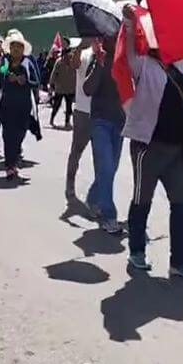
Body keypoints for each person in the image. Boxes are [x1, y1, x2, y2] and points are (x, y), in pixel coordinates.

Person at [119, 5, 183, 279]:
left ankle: (179, 262)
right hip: (148, 146)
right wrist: (130, 26)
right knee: (142, 200)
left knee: (182, 204)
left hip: (177, 149)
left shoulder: (181, 65)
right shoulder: (143, 64)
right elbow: (128, 54)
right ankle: (137, 251)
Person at [84, 35, 126, 234]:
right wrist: (99, 66)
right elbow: (87, 89)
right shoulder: (98, 59)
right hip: (100, 122)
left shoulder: (126, 59)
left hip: (120, 123)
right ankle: (109, 215)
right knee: (107, 168)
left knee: (111, 169)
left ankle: (93, 198)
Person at [0, 31, 40, 180]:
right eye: (14, 46)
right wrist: (6, 77)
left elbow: (36, 82)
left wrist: (25, 82)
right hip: (7, 105)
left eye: (19, 47)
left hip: (23, 107)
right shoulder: (5, 62)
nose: (16, 50)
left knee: (19, 135)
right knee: (8, 136)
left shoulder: (28, 63)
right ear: (10, 47)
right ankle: (10, 166)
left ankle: (13, 161)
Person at [65, 43, 94, 198]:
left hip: (102, 115)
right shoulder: (85, 52)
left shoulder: (111, 52)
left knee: (103, 161)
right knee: (76, 151)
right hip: (83, 111)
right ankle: (70, 183)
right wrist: (82, 44)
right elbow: (74, 64)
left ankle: (96, 195)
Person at [49, 48, 76, 128]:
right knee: (56, 105)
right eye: (66, 55)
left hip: (70, 88)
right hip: (60, 88)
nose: (68, 57)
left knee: (69, 107)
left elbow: (77, 73)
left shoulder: (73, 62)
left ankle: (67, 122)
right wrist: (51, 84)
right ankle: (52, 119)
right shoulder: (59, 62)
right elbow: (53, 74)